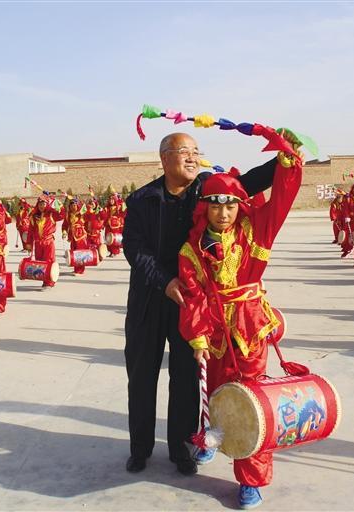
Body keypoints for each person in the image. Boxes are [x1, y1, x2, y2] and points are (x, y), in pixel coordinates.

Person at [122, 131, 276, 477]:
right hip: (149, 300)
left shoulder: (207, 188)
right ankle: (140, 449)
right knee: (142, 377)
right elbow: (135, 249)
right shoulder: (142, 200)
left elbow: (248, 182)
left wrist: (283, 160)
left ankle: (181, 448)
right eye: (184, 151)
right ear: (165, 158)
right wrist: (165, 281)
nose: (192, 157)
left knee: (187, 379)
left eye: (195, 151)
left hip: (193, 305)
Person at [177, 133, 301, 509]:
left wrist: (288, 160)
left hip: (250, 327)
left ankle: (251, 480)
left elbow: (282, 198)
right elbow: (194, 295)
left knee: (253, 402)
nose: (224, 214)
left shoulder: (255, 230)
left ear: (239, 206)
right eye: (216, 206)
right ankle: (213, 437)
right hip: (215, 332)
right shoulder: (192, 249)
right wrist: (197, 336)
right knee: (218, 395)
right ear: (205, 208)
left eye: (231, 205)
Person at [26, 194, 65, 289]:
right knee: (40, 262)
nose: (41, 206)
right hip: (38, 243)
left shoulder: (51, 214)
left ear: (47, 204)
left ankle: (49, 282)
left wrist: (60, 205)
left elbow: (61, 215)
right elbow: (31, 231)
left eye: (43, 204)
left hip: (48, 242)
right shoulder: (34, 216)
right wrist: (29, 243)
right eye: (40, 204)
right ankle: (45, 281)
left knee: (49, 261)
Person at [63, 199, 89, 275]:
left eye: (74, 205)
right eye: (71, 205)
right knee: (74, 252)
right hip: (72, 236)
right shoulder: (68, 215)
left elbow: (90, 218)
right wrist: (64, 231)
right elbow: (65, 225)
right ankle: (76, 269)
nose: (73, 207)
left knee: (80, 252)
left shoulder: (82, 214)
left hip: (80, 236)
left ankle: (80, 270)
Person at [103, 192, 127, 256]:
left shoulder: (119, 207)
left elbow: (123, 213)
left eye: (112, 200)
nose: (111, 201)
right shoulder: (107, 208)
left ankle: (115, 251)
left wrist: (123, 207)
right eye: (110, 200)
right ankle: (111, 251)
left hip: (116, 225)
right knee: (108, 238)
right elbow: (104, 216)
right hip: (108, 225)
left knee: (115, 238)